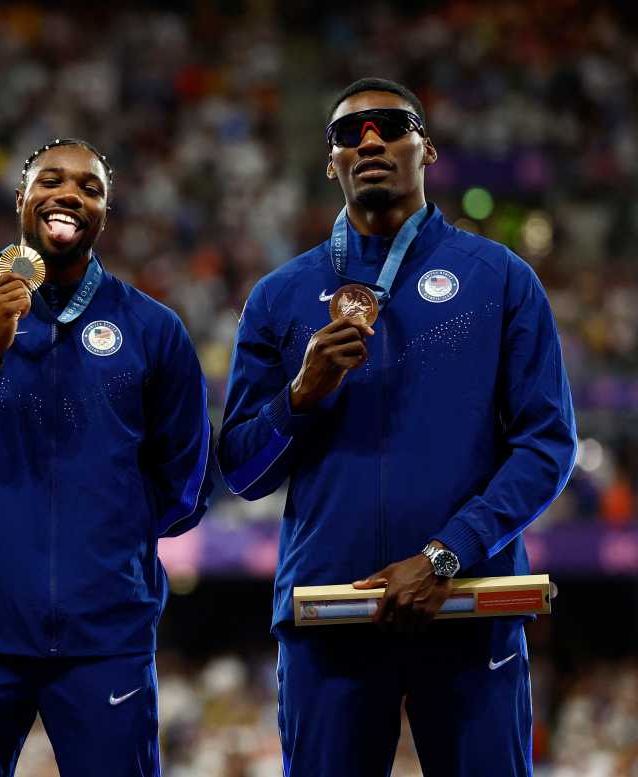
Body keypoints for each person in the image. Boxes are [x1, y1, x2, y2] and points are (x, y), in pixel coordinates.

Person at [218, 78, 576, 777]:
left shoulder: (499, 277)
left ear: (427, 149)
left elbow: (547, 444)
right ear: (332, 164)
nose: (371, 140)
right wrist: (300, 394)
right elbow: (240, 468)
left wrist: (447, 553)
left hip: (468, 605)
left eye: (391, 125)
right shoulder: (280, 297)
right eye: (350, 134)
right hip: (330, 619)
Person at [0, 138, 213, 775]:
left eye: (90, 188)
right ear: (21, 199)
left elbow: (189, 484)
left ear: (104, 214)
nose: (69, 194)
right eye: (51, 180)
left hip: (107, 637)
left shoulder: (155, 330)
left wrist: (106, 545)